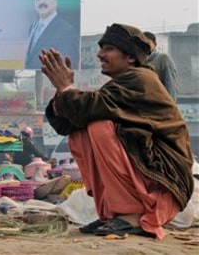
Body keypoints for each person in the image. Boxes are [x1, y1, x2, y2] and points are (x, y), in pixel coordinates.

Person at [39, 23, 194, 240]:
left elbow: (94, 106)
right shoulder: (120, 85)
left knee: (99, 124)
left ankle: (131, 214)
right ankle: (113, 213)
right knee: (81, 130)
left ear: (130, 57)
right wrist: (62, 90)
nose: (100, 54)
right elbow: (68, 123)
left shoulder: (141, 79)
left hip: (165, 185)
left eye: (109, 49)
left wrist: (66, 88)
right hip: (152, 177)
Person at [24, 0, 80, 70]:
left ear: (55, 1)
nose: (41, 2)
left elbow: (68, 68)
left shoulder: (66, 31)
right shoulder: (33, 27)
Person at [143, 31, 178, 101]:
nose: (145, 46)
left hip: (160, 104)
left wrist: (170, 105)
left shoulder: (163, 59)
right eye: (142, 44)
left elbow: (170, 85)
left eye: (148, 43)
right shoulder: (137, 61)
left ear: (155, 44)